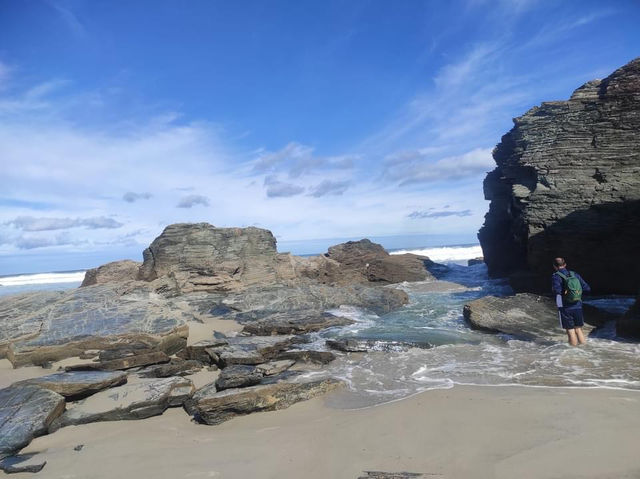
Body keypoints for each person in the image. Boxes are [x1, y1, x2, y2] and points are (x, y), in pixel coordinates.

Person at [552, 257, 591, 346]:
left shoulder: (556, 276)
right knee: (578, 329)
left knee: (570, 330)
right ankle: (584, 350)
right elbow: (587, 288)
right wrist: (576, 296)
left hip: (565, 306)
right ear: (565, 264)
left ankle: (573, 352)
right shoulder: (574, 274)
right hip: (578, 304)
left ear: (554, 266)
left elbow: (557, 291)